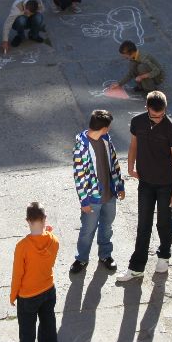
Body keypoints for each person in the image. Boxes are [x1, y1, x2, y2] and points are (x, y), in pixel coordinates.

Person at [117, 91, 172, 282]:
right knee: (143, 224)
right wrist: (130, 166)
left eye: (161, 115)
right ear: (146, 108)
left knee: (164, 222)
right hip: (145, 182)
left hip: (166, 184)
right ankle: (136, 267)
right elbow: (133, 145)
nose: (158, 119)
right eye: (154, 116)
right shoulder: (137, 122)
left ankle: (164, 256)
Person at [10, 202, 60, 342]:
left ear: (28, 221)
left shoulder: (22, 246)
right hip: (48, 289)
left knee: (27, 334)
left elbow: (18, 274)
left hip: (28, 296)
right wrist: (48, 233)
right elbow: (50, 255)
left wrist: (13, 295)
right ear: (45, 219)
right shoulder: (53, 241)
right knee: (48, 325)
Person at [71, 109, 126, 273]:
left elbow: (114, 163)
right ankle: (81, 259)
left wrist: (120, 186)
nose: (109, 130)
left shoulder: (106, 139)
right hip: (92, 199)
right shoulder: (81, 147)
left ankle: (105, 255)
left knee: (107, 227)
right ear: (104, 128)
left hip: (110, 195)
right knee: (87, 231)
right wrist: (84, 201)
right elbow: (79, 176)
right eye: (108, 127)